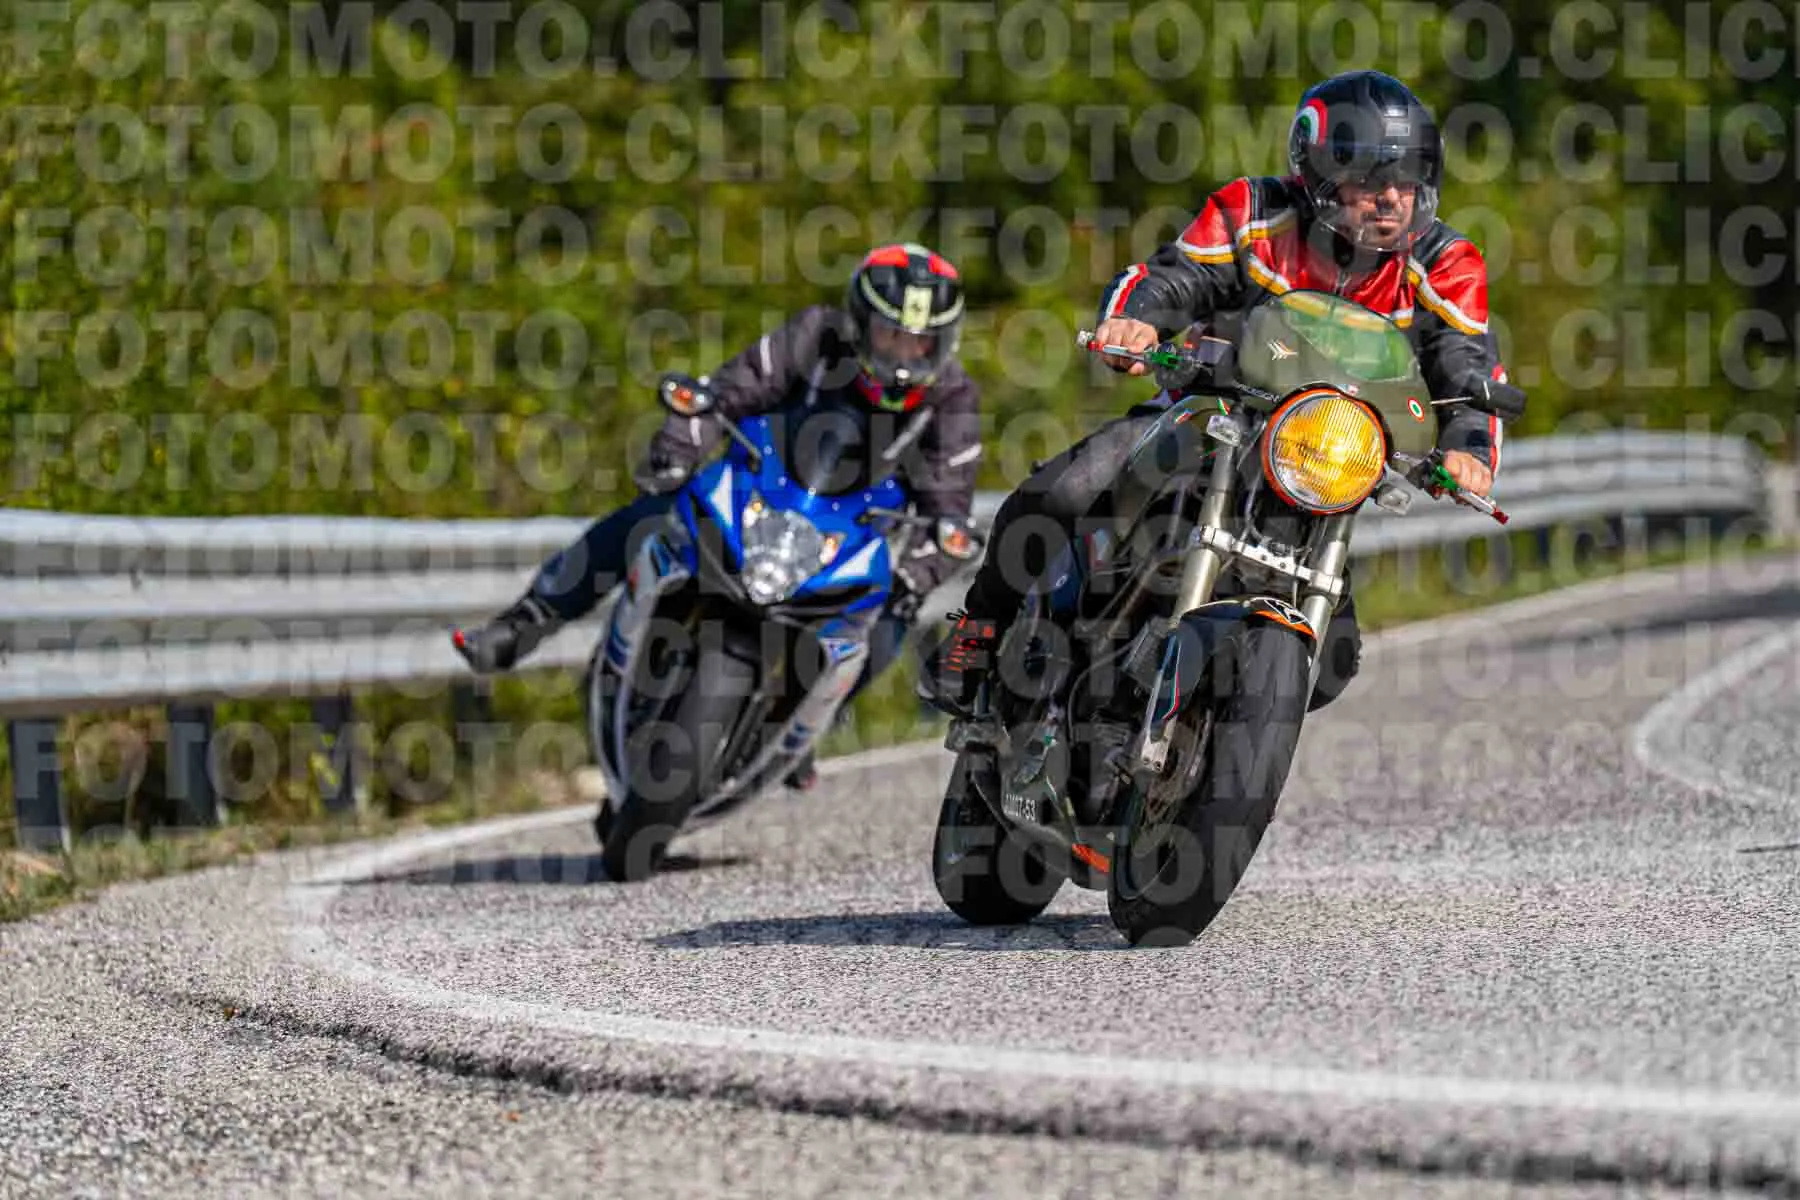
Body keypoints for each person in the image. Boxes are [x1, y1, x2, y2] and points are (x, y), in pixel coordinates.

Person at [920, 70, 1523, 718]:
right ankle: (976, 634)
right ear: (1319, 172)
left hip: (1321, 461)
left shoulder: (1447, 262)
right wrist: (1137, 321)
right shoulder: (1255, 214)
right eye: (1372, 180)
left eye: (1407, 180)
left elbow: (1467, 366)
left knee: (1333, 664)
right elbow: (1175, 277)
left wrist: (1469, 450)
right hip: (1211, 418)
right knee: (1065, 490)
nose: (1392, 200)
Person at [454, 243, 984, 788]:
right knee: (649, 516)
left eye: (920, 342)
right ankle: (523, 624)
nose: (903, 355)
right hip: (758, 496)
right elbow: (727, 392)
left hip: (846, 538)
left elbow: (950, 502)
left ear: (943, 343)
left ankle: (804, 726)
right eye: (889, 335)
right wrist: (676, 451)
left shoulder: (953, 397)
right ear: (858, 321)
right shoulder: (816, 336)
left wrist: (918, 572)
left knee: (886, 619)